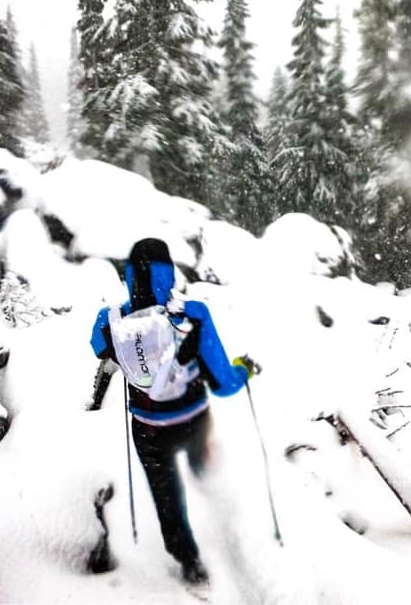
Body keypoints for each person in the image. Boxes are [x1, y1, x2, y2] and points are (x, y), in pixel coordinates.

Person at [88, 238, 256, 585]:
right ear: (170, 272)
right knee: (202, 461)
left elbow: (99, 348)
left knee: (166, 496)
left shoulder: (109, 320)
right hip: (191, 419)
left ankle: (188, 560)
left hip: (147, 427)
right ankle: (209, 483)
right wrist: (245, 370)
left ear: (129, 275)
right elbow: (223, 384)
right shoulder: (192, 313)